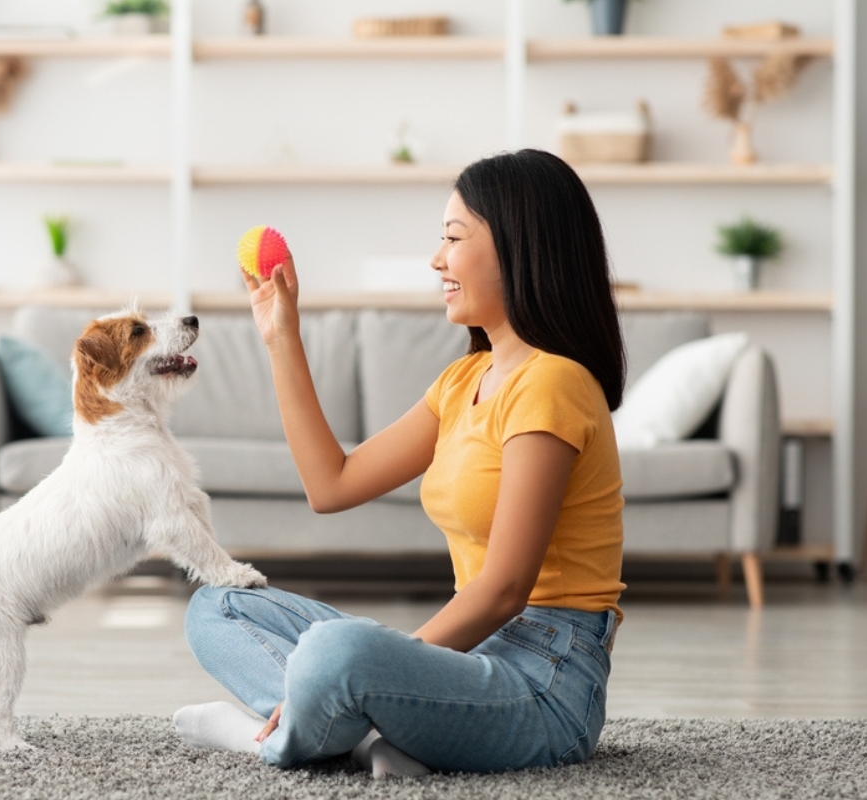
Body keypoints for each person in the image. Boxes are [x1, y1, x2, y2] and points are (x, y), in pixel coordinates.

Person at [173, 149, 627, 777]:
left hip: (546, 684)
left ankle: (267, 738)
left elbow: (503, 591)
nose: (437, 259)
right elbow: (330, 486)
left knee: (339, 653)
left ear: (520, 248)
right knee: (219, 607)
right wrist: (281, 338)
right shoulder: (464, 379)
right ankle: (371, 740)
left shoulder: (553, 384)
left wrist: (377, 662)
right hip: (473, 657)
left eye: (453, 238)